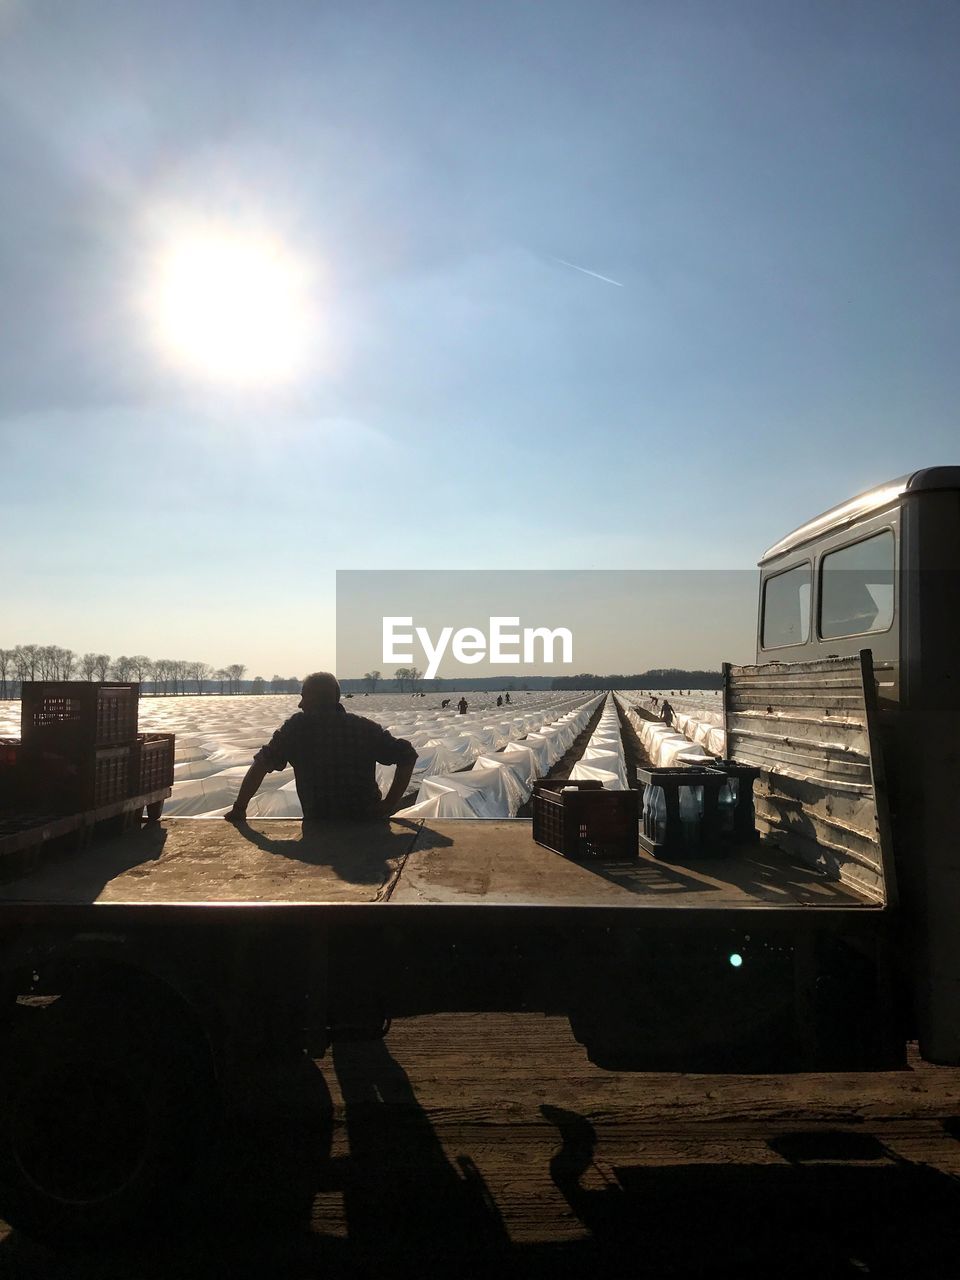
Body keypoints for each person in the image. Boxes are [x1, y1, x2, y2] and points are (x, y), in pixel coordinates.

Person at [224, 672, 417, 822]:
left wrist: (240, 809)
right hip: (367, 822)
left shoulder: (296, 729)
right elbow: (407, 755)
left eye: (304, 697)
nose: (300, 704)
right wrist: (388, 805)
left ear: (316, 699)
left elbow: (261, 765)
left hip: (318, 823)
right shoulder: (363, 728)